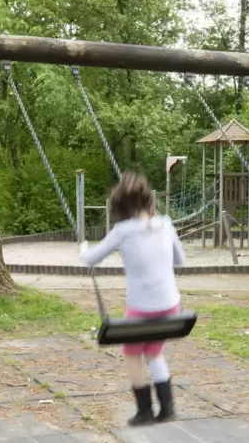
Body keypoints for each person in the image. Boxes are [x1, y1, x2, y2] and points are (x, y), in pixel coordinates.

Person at [80, 171, 184, 426]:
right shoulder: (166, 223)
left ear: (120, 207)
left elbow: (91, 259)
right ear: (149, 200)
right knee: (153, 351)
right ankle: (167, 407)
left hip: (142, 310)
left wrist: (83, 247)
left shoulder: (122, 230)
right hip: (171, 306)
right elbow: (180, 260)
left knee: (131, 351)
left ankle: (144, 412)